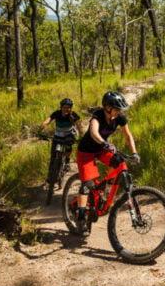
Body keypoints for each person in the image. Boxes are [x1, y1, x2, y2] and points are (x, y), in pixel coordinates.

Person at [74, 91, 140, 234]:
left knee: (118, 161)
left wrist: (134, 153)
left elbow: (128, 135)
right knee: (87, 184)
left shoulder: (119, 117)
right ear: (107, 108)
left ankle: (106, 187)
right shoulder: (97, 116)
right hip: (86, 152)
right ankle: (80, 217)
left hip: (101, 149)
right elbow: (94, 133)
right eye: (116, 109)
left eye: (120, 110)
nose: (119, 112)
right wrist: (104, 143)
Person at [37, 98, 82, 176]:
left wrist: (81, 136)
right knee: (54, 153)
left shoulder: (73, 114)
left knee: (68, 146)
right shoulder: (57, 113)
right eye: (64, 107)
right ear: (61, 107)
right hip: (58, 135)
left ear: (71, 108)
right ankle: (52, 173)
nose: (66, 109)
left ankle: (67, 160)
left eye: (68, 107)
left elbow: (79, 125)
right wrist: (39, 131)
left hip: (69, 134)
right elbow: (47, 121)